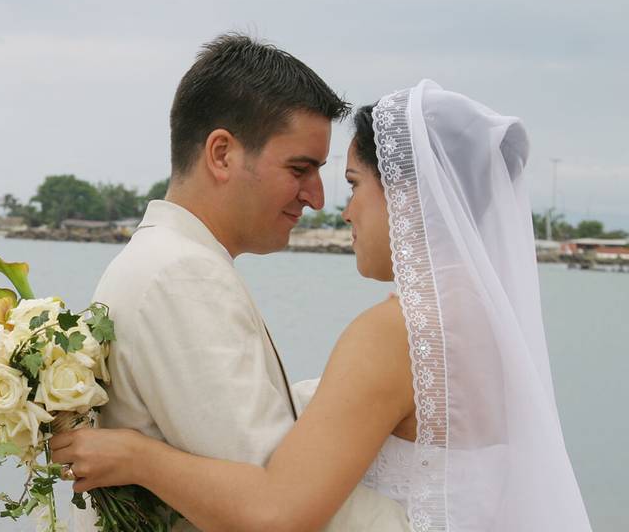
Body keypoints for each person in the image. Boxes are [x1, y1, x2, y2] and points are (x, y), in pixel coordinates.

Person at [53, 80, 593, 531]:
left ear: (407, 197)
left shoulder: (395, 332)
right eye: (302, 170)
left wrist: (139, 458)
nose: (338, 208)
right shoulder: (486, 326)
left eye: (353, 184)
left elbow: (277, 512)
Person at [69, 34, 409, 531]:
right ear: (222, 154)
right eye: (300, 168)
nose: (316, 197)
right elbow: (273, 496)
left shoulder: (165, 261)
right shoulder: (181, 275)